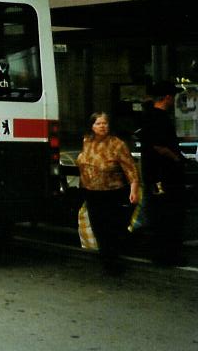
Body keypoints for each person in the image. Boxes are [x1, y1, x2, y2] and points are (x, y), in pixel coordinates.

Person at [76, 112, 139, 274]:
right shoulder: (87, 141)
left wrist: (133, 189)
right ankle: (106, 259)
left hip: (112, 192)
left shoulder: (117, 144)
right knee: (98, 227)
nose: (102, 126)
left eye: (105, 123)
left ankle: (113, 259)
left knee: (112, 226)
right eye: (98, 123)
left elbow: (130, 168)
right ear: (92, 126)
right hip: (91, 192)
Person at [140, 81, 187, 266]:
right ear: (167, 97)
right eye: (173, 96)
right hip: (164, 175)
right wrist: (176, 158)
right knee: (170, 215)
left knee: (159, 214)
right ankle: (168, 255)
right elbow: (159, 146)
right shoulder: (159, 118)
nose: (174, 100)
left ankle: (160, 254)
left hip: (154, 175)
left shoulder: (148, 116)